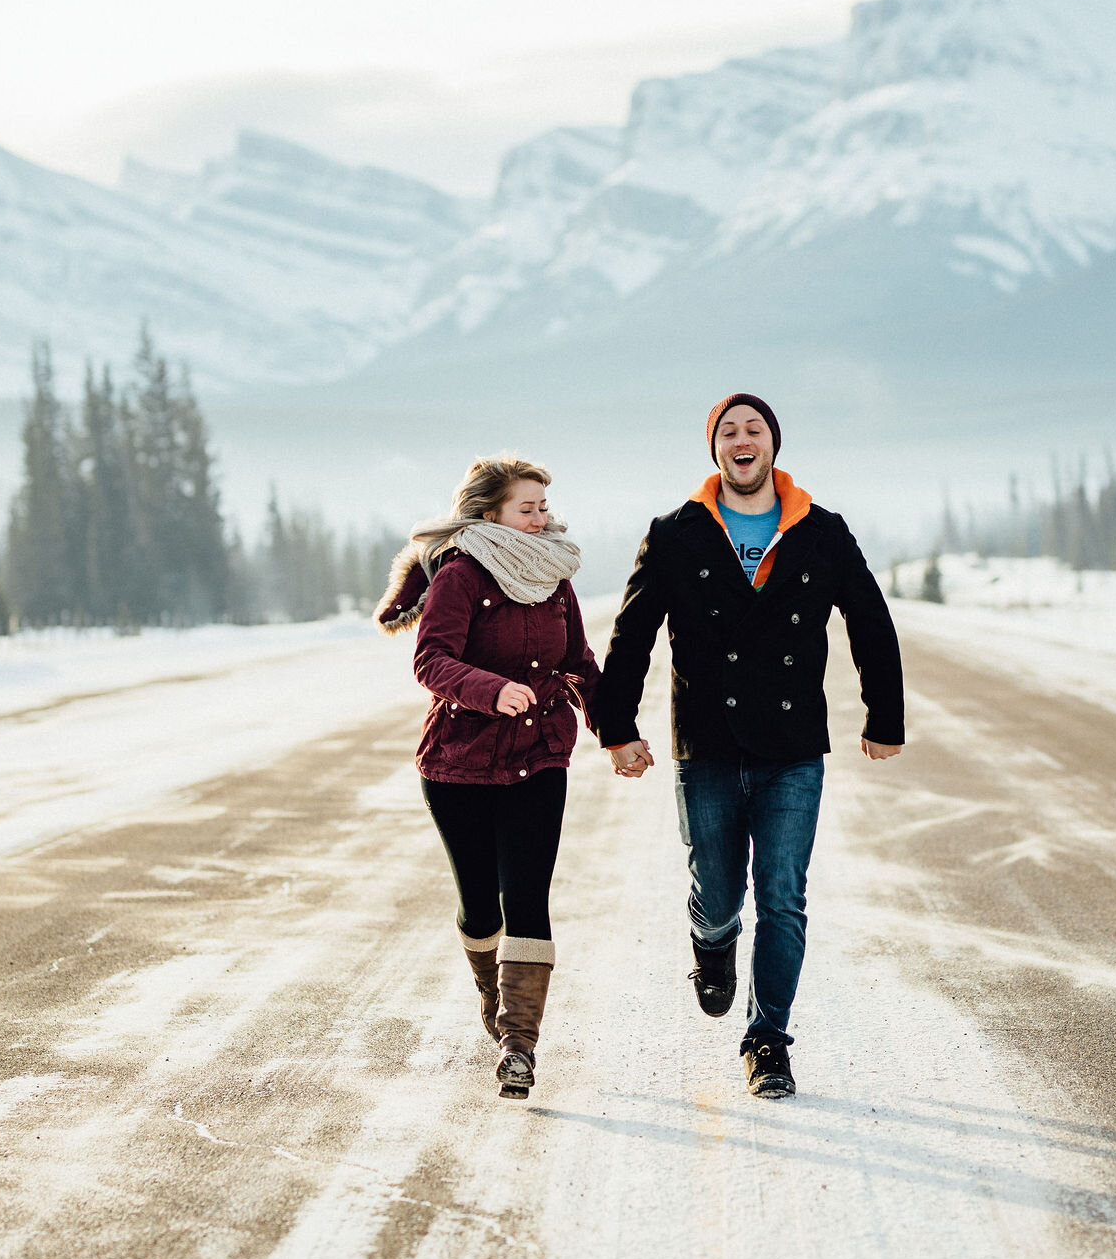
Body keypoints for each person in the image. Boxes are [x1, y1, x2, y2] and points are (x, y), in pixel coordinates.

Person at [596, 394, 904, 1099]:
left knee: (784, 897)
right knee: (719, 891)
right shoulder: (675, 533)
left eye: (754, 428)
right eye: (728, 431)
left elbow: (869, 619)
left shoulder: (822, 532)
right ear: (716, 450)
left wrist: (883, 715)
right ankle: (712, 939)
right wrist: (617, 728)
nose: (742, 439)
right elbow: (631, 634)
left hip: (792, 748)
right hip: (705, 744)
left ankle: (767, 1039)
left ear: (772, 444)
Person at [376, 455, 601, 1100]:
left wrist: (616, 733)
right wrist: (491, 689)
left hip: (539, 757)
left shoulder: (555, 576)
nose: (539, 519)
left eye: (542, 508)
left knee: (528, 897)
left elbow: (580, 661)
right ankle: (489, 989)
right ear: (488, 514)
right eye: (526, 508)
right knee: (482, 905)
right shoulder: (461, 572)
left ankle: (519, 1044)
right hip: (459, 763)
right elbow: (431, 659)